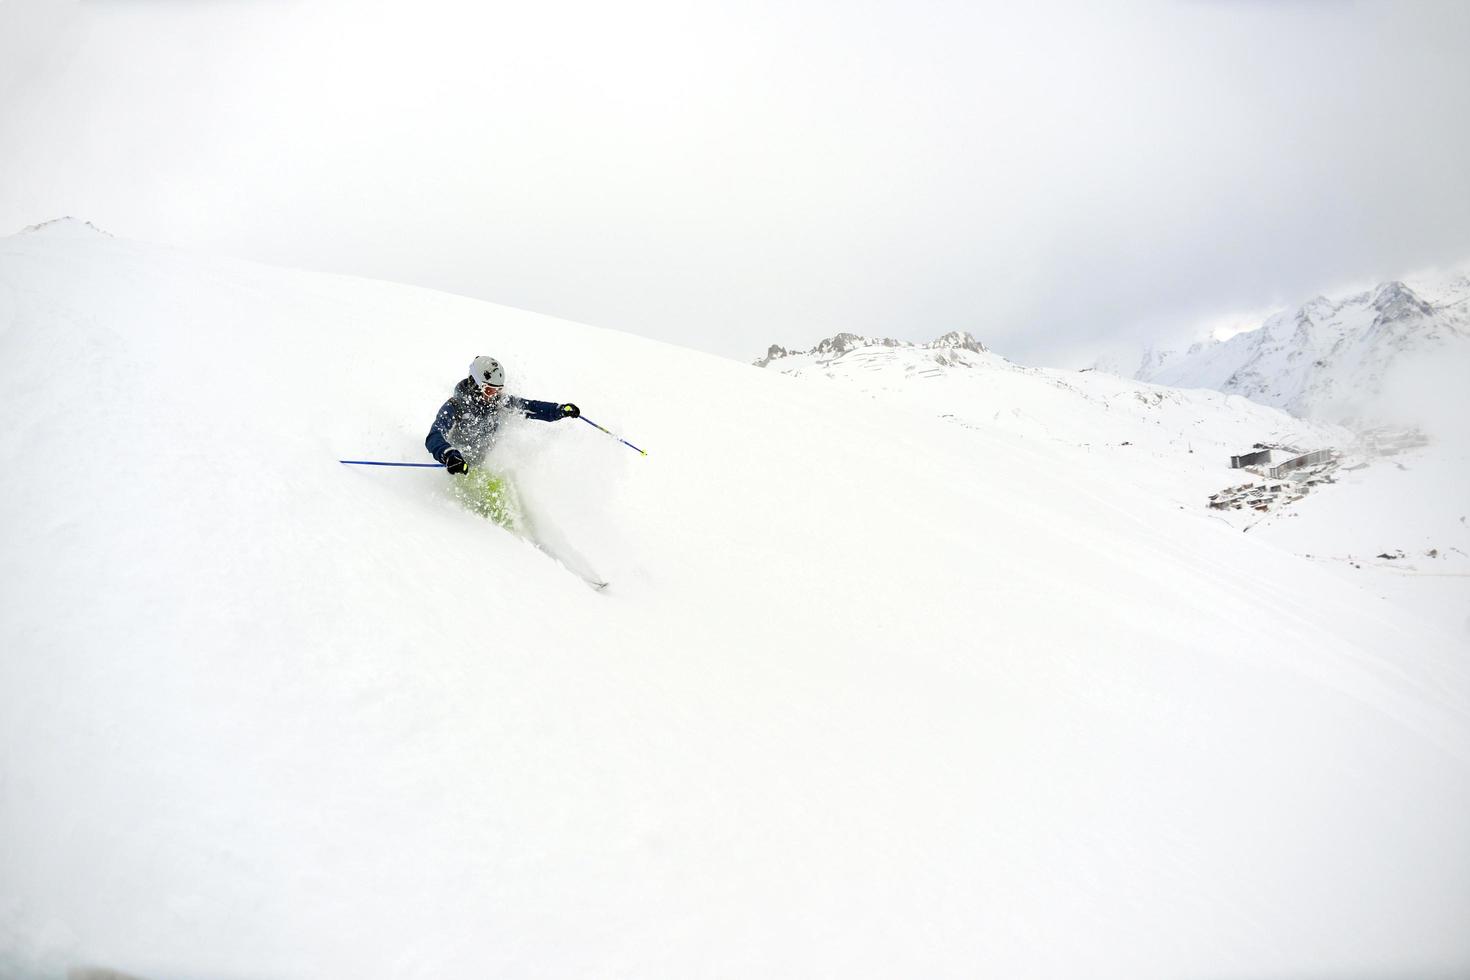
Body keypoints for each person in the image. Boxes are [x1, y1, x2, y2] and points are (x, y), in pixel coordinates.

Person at [426, 355, 580, 526]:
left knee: (505, 491)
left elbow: (530, 407)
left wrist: (558, 410)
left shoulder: (498, 402)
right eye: (489, 390)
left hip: (482, 465)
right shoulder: (455, 406)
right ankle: (501, 537)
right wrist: (448, 455)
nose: (494, 396)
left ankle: (522, 530)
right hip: (459, 467)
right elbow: (434, 434)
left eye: (498, 390)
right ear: (475, 384)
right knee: (494, 498)